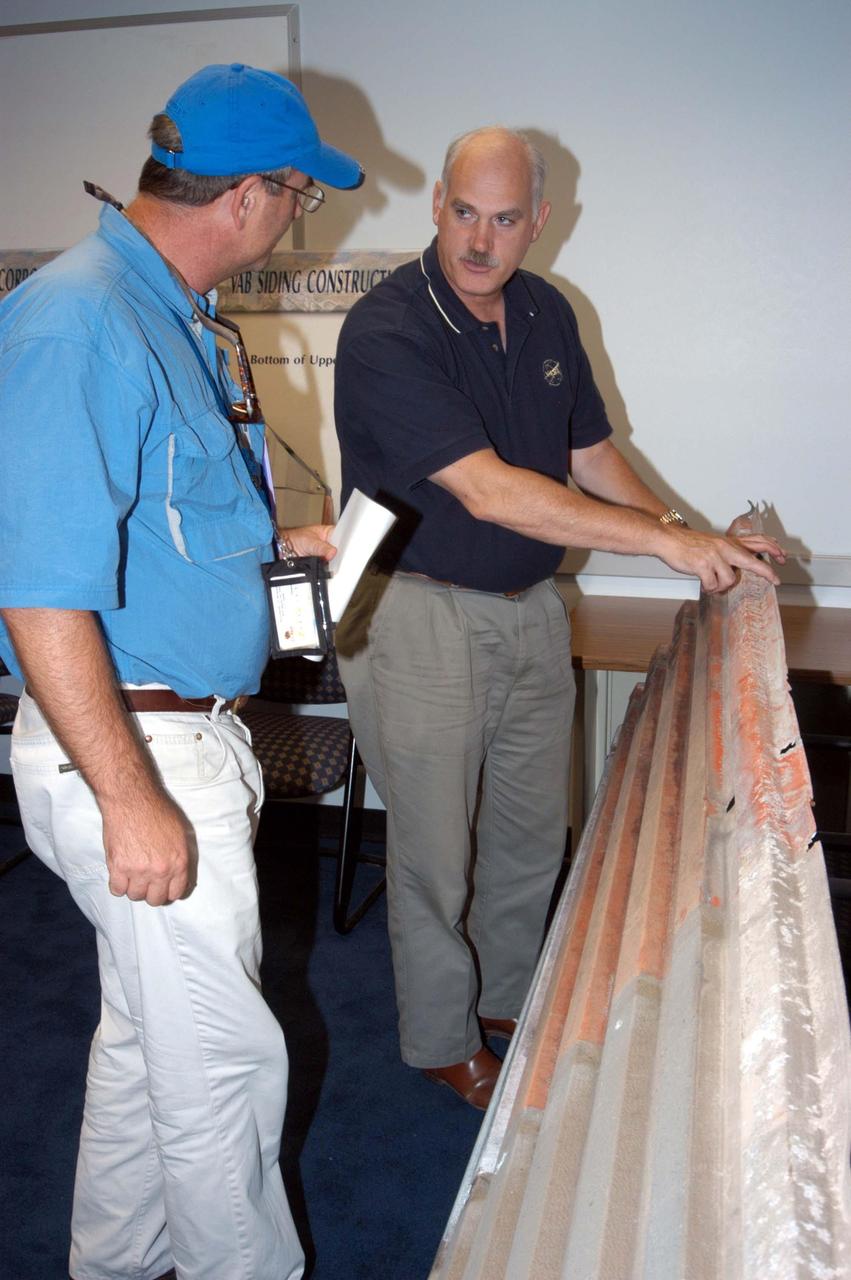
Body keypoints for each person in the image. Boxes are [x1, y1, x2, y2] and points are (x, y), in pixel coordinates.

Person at [334, 126, 784, 1111]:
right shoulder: (385, 331)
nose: (479, 240)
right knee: (431, 855)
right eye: (463, 212)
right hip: (416, 615)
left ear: (539, 223)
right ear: (437, 206)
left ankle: (503, 1005)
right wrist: (661, 545)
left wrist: (693, 535)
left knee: (534, 834)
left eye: (503, 218)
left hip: (533, 606)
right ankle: (439, 1039)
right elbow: (491, 492)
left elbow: (589, 455)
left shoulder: (544, 311)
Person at [0, 64, 363, 1280]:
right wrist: (129, 794)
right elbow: (37, 584)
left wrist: (278, 547)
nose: (294, 222)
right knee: (221, 1074)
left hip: (175, 734)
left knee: (150, 1049)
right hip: (135, 746)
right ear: (252, 194)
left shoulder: (164, 315)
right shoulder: (80, 315)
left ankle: (108, 1265)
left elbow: (158, 526)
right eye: (301, 198)